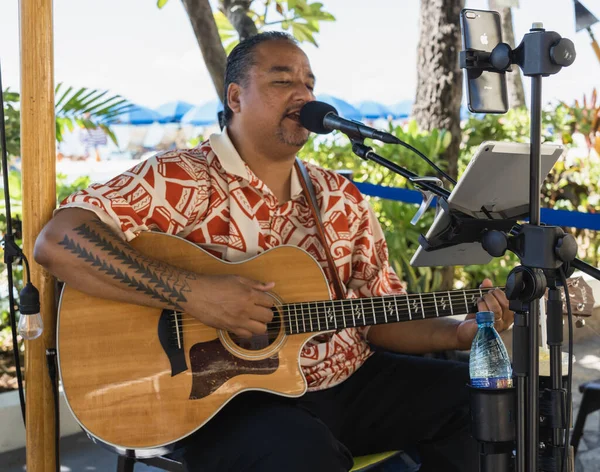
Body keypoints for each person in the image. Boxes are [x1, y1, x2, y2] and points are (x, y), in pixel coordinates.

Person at [34, 32, 514, 472]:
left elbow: (379, 314)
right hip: (217, 398)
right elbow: (58, 241)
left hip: (347, 380)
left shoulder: (338, 196)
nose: (303, 95)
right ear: (236, 97)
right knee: (300, 451)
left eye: (309, 83)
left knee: (485, 400)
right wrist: (194, 294)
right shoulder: (178, 178)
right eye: (283, 81)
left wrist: (457, 333)